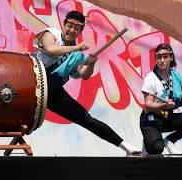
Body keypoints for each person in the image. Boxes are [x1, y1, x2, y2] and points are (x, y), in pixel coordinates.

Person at [32, 10, 141, 155]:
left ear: (80, 32)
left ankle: (125, 146)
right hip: (32, 84)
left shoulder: (77, 56)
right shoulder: (51, 34)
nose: (72, 30)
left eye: (76, 28)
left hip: (53, 93)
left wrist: (90, 64)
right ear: (64, 25)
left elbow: (83, 75)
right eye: (69, 26)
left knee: (87, 120)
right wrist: (77, 47)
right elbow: (51, 49)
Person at [140, 43, 182, 155]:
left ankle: (170, 140)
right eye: (159, 57)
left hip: (167, 117)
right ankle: (148, 140)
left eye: (165, 57)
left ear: (171, 57)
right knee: (156, 149)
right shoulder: (151, 78)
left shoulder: (177, 76)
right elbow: (148, 104)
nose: (162, 60)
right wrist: (163, 105)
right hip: (151, 119)